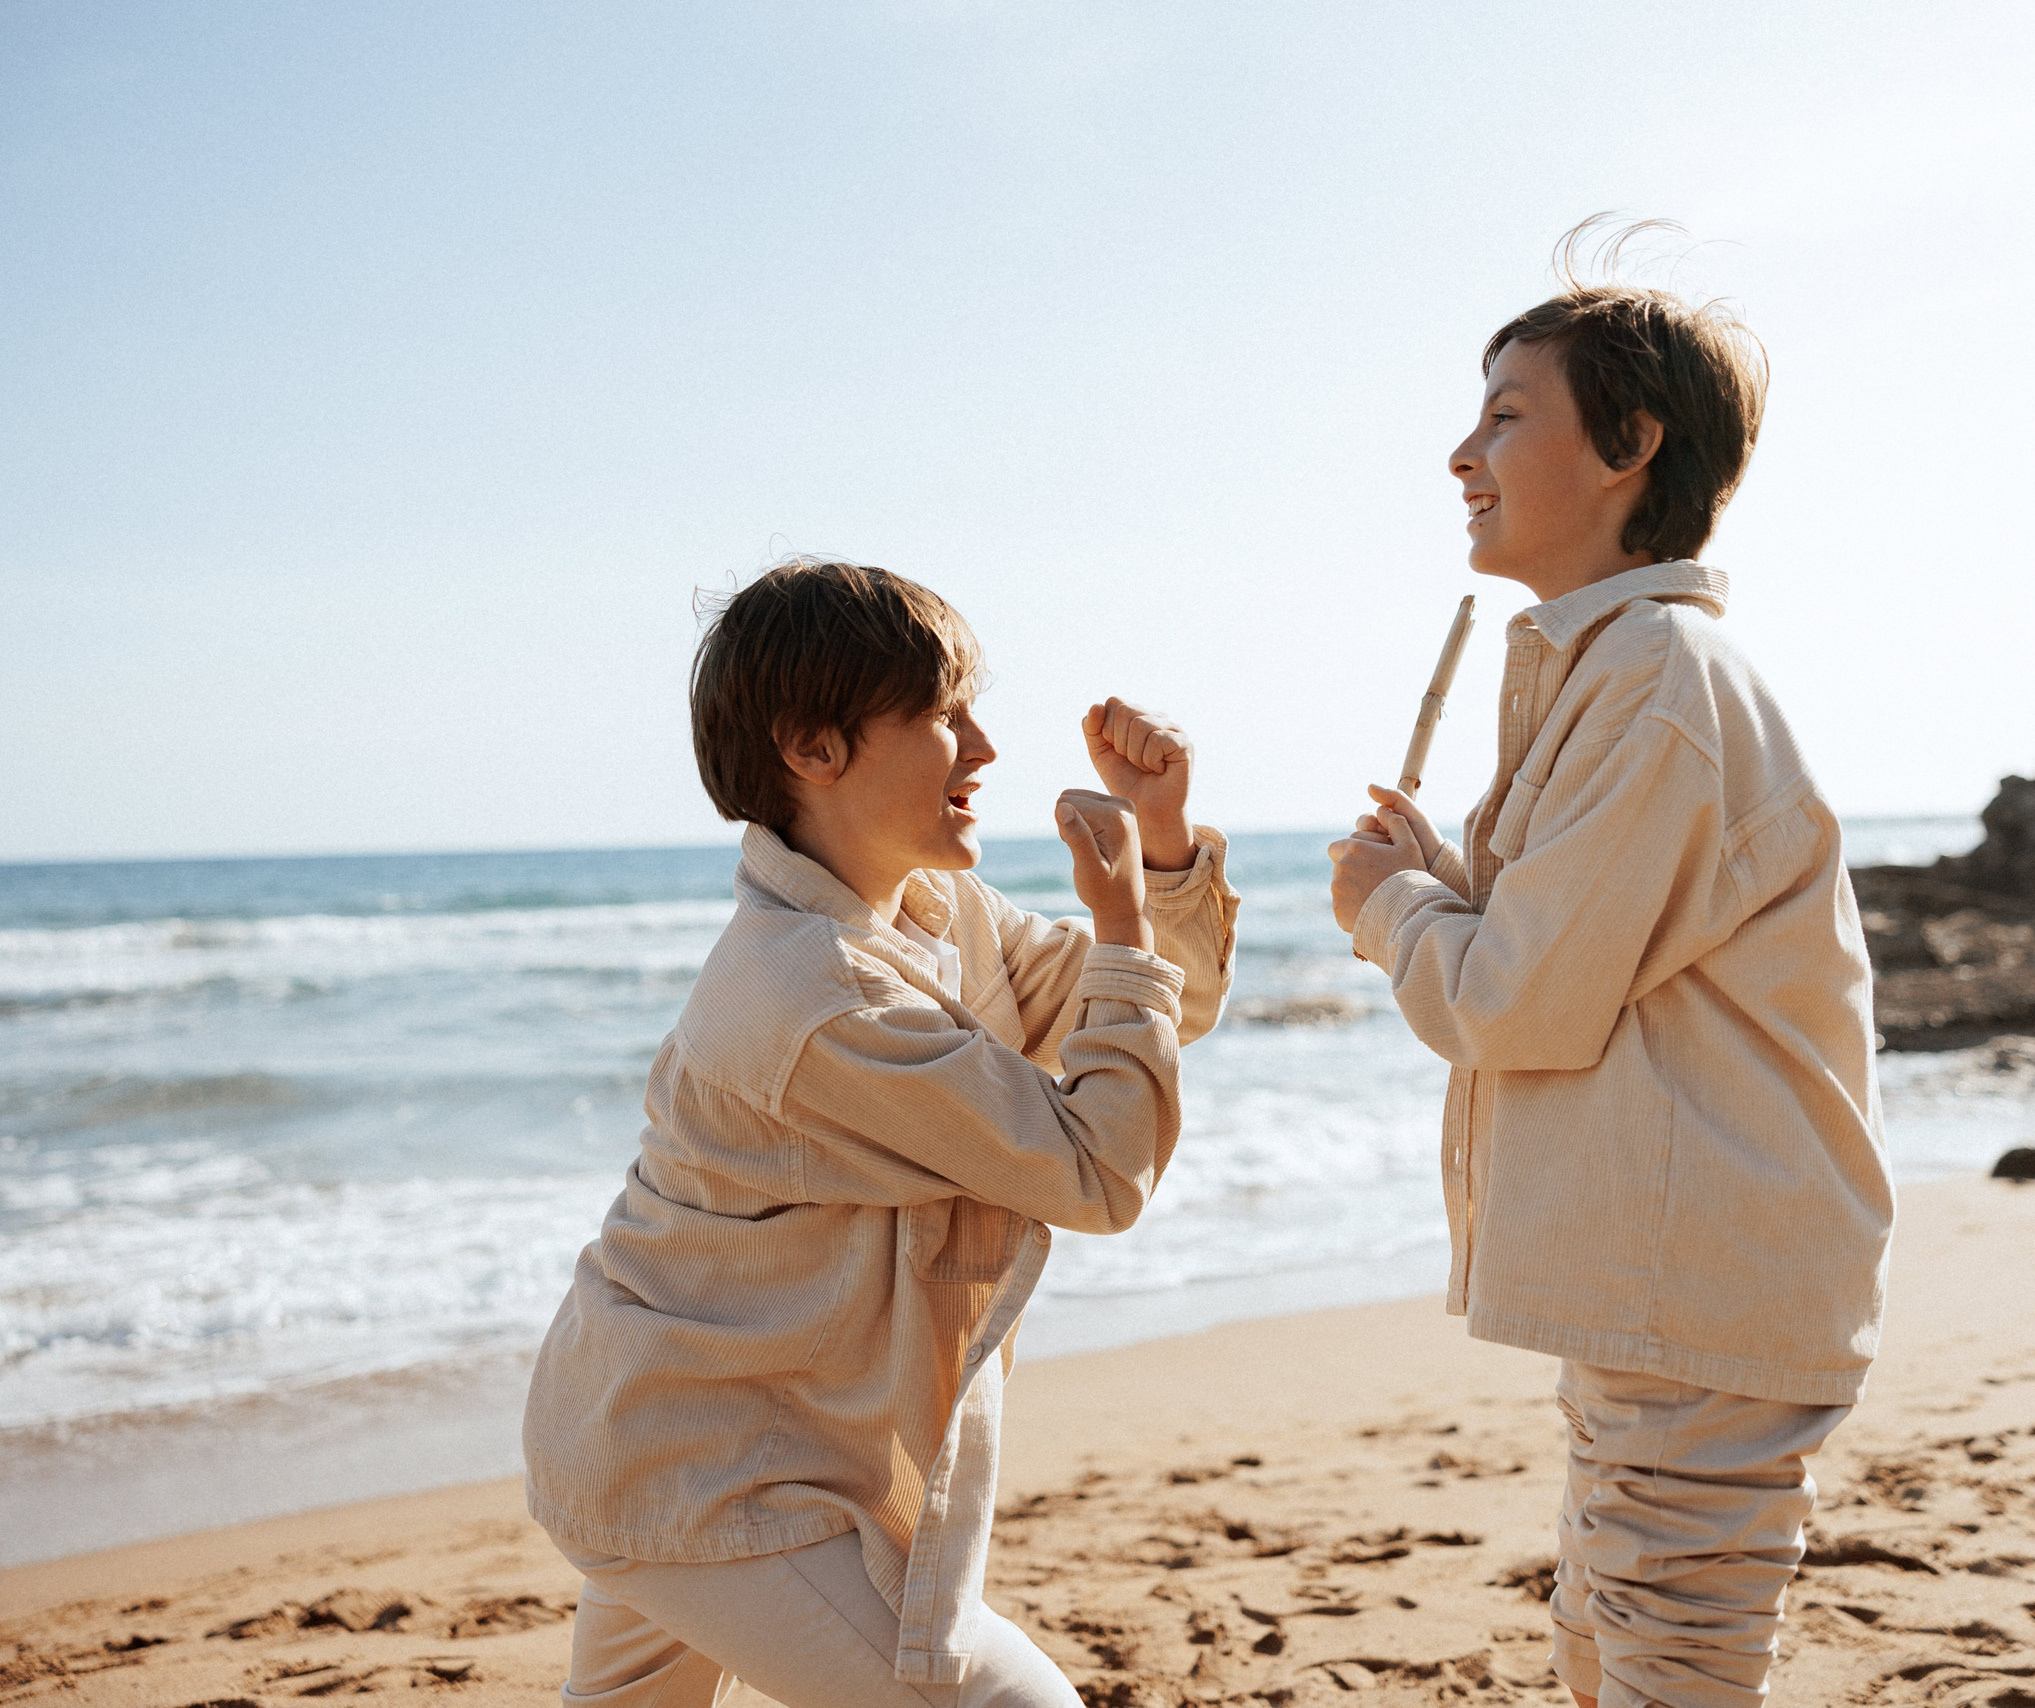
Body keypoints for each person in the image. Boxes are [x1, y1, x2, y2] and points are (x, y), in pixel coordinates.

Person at [523, 558, 1237, 1708]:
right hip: (706, 1468)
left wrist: (1159, 850)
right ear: (813, 747)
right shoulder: (814, 994)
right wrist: (1114, 913)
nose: (985, 749)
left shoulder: (936, 909)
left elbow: (1153, 1005)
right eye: (942, 716)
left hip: (683, 1425)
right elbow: (1098, 1169)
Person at [1328, 283, 1891, 1707]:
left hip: (1696, 1285)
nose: (1464, 455)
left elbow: (1519, 1005)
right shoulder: (1629, 669)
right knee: (1608, 1647)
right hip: (1676, 1285)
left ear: (1632, 441)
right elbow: (1593, 953)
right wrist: (1446, 881)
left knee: (1659, 1664)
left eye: (1507, 417)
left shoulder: (1650, 676)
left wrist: (1387, 905)